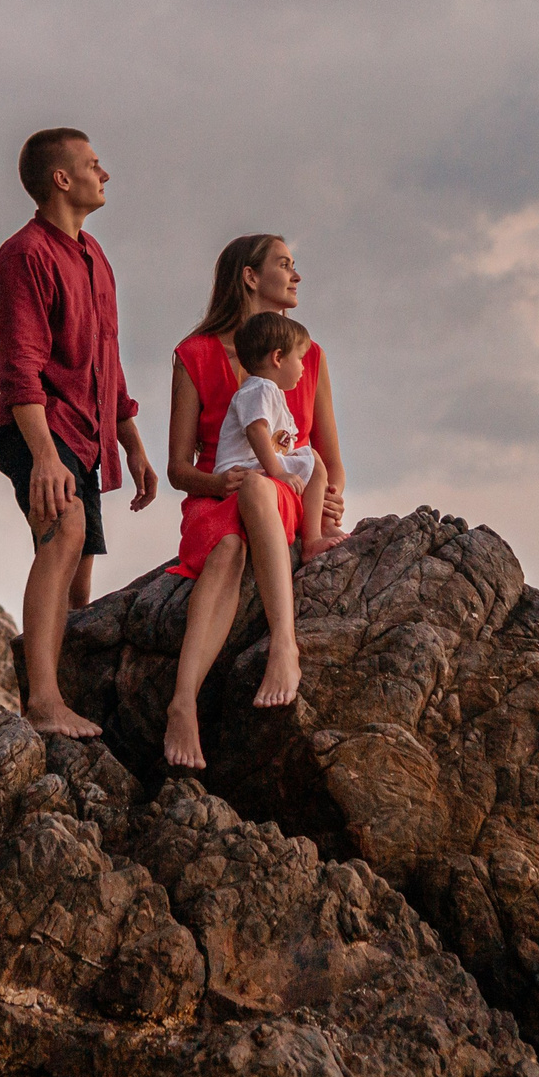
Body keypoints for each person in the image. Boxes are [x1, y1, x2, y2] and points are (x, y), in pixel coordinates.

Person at [0, 127, 158, 739]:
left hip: (84, 438)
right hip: (35, 428)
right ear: (62, 178)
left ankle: (55, 697)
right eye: (93, 164)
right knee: (65, 536)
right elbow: (20, 368)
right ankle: (42, 704)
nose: (104, 174)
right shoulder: (24, 256)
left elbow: (106, 361)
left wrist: (131, 443)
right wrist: (44, 461)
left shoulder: (94, 256)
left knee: (80, 588)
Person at [161, 235, 347, 769]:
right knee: (224, 549)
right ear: (249, 276)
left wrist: (329, 500)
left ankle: (283, 645)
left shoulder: (309, 357)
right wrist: (218, 486)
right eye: (285, 265)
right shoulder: (194, 355)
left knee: (264, 488)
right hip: (216, 495)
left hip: (279, 493)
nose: (296, 276)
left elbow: (328, 459)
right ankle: (182, 704)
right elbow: (178, 468)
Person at [213, 312, 331, 561]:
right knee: (315, 462)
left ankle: (313, 532)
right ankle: (313, 538)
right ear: (278, 358)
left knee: (311, 461)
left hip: (252, 467)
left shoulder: (267, 391)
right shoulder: (260, 388)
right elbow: (256, 431)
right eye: (299, 358)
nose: (303, 367)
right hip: (243, 468)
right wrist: (277, 472)